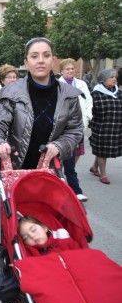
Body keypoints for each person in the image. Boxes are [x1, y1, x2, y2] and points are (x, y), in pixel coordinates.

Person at [0, 37, 83, 170]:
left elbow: (75, 129)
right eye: (34, 56)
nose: (41, 60)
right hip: (16, 170)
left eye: (46, 55)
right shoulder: (11, 92)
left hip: (50, 170)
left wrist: (60, 145)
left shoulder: (69, 95)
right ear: (26, 62)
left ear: (53, 60)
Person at [58, 58, 92, 201]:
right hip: (62, 128)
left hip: (78, 125)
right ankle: (70, 189)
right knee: (61, 162)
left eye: (72, 69)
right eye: (68, 69)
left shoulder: (81, 84)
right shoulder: (58, 85)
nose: (71, 71)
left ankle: (74, 190)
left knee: (72, 160)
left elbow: (88, 100)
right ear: (61, 71)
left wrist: (88, 116)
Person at [88, 69, 122, 185]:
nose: (114, 79)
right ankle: (103, 175)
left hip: (115, 127)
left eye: (115, 77)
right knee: (102, 151)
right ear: (103, 79)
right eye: (111, 77)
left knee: (103, 150)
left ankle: (94, 167)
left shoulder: (118, 93)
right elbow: (90, 111)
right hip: (101, 127)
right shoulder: (96, 94)